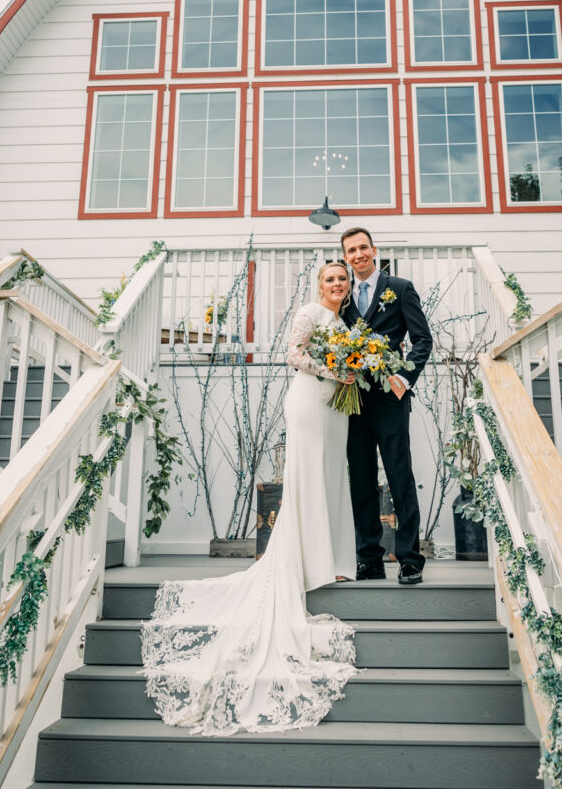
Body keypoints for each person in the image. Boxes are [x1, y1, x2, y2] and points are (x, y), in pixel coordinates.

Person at [140, 262, 359, 735]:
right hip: (310, 398)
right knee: (306, 479)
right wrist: (337, 369)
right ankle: (303, 559)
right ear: (318, 285)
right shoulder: (309, 313)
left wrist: (350, 370)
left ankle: (326, 558)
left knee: (328, 478)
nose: (337, 284)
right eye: (330, 279)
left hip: (335, 406)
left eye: (342, 279)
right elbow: (294, 356)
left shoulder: (345, 324)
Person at [341, 227, 433, 585]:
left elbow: (422, 339)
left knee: (399, 476)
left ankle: (410, 558)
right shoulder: (343, 295)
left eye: (363, 247)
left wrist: (404, 379)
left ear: (374, 250)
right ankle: (369, 558)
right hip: (352, 400)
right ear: (346, 257)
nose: (358, 254)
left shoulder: (401, 288)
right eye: (351, 250)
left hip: (391, 399)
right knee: (361, 480)